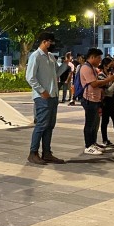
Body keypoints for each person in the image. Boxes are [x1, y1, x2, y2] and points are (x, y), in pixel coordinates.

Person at [25, 32, 66, 165]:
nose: (52, 44)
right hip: (42, 97)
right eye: (50, 42)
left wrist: (65, 64)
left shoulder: (51, 57)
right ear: (44, 41)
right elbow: (30, 77)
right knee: (41, 125)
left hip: (53, 96)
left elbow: (56, 73)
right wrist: (42, 91)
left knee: (49, 125)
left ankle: (47, 153)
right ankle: (33, 153)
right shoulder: (35, 56)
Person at [79, 48, 114, 155]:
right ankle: (88, 145)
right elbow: (94, 84)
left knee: (95, 123)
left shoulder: (92, 68)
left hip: (95, 99)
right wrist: (108, 80)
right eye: (98, 58)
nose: (100, 60)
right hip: (89, 99)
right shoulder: (86, 68)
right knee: (90, 123)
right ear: (92, 57)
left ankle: (93, 143)